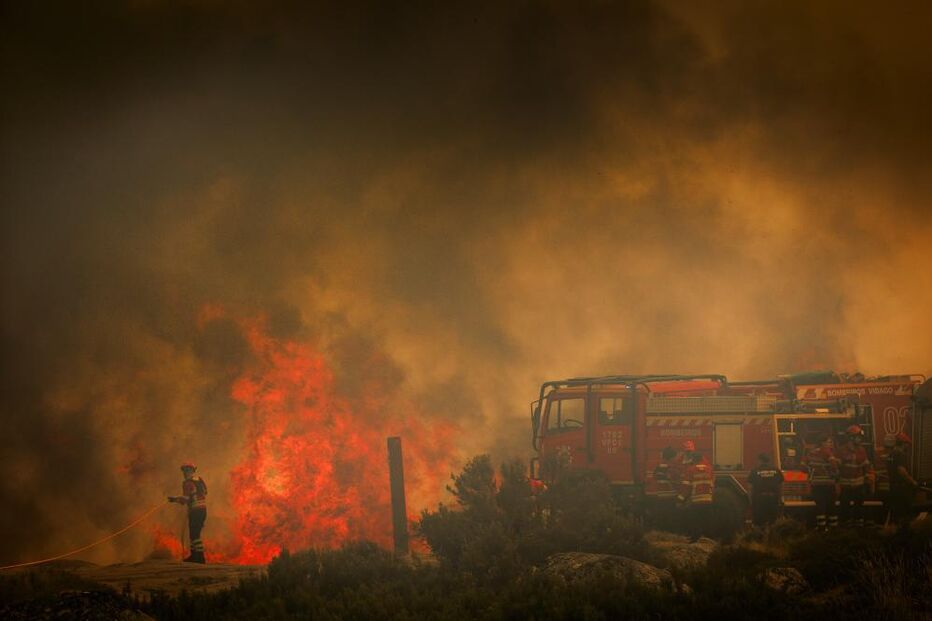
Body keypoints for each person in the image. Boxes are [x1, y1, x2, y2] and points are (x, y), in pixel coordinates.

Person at [169, 462, 208, 563]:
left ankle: (199, 558)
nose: (185, 473)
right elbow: (204, 492)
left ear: (191, 471)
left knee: (195, 535)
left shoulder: (187, 483)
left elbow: (185, 499)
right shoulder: (199, 480)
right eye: (184, 471)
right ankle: (194, 555)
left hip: (196, 511)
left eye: (187, 470)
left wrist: (174, 499)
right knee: (193, 534)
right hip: (202, 510)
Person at [837, 425, 874, 527]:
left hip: (859, 485)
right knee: (845, 507)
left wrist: (870, 480)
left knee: (859, 507)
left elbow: (866, 466)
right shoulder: (841, 450)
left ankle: (859, 528)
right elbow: (836, 467)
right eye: (858, 437)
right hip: (845, 486)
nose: (860, 439)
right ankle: (845, 527)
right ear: (851, 437)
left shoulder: (861, 450)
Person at [802, 434, 839, 530]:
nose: (831, 444)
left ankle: (821, 528)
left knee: (820, 507)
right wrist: (836, 475)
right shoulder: (828, 453)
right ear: (823, 443)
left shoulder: (810, 453)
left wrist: (811, 472)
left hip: (816, 485)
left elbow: (802, 466)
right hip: (828, 484)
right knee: (831, 506)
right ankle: (833, 528)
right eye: (829, 442)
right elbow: (834, 467)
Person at [886, 432, 919, 529]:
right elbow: (901, 470)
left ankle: (894, 532)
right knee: (906, 512)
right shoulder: (900, 454)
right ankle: (905, 532)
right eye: (907, 444)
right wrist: (912, 482)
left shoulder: (891, 454)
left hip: (893, 487)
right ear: (903, 444)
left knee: (895, 512)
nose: (908, 447)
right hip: (901, 488)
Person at [678, 450, 713, 541]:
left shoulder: (690, 470)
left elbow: (686, 487)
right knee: (706, 519)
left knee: (695, 520)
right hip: (708, 499)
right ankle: (707, 538)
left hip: (696, 501)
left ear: (693, 459)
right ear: (702, 459)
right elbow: (713, 483)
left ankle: (695, 539)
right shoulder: (709, 469)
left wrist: (680, 500)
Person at [646, 446, 679, 529]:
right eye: (674, 456)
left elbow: (655, 477)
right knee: (670, 518)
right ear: (671, 457)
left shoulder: (659, 467)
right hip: (670, 496)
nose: (675, 458)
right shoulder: (671, 467)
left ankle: (661, 531)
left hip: (661, 495)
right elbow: (675, 479)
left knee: (661, 517)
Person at [748, 453, 783, 527]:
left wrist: (751, 501)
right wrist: (779, 500)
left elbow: (750, 488)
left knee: (759, 523)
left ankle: (761, 537)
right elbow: (780, 487)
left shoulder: (754, 471)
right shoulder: (776, 470)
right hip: (773, 500)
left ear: (760, 460)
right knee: (773, 522)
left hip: (760, 500)